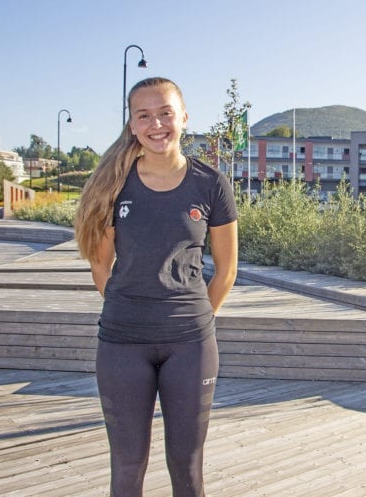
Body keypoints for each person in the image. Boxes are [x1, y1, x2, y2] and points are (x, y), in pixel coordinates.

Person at [74, 77, 238, 497]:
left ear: (184, 117)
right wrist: (132, 308)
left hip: (191, 344)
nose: (156, 124)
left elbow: (226, 270)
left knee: (187, 468)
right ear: (131, 125)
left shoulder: (211, 183)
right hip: (122, 342)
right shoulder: (112, 184)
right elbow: (100, 264)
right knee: (127, 467)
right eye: (144, 115)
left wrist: (196, 318)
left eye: (165, 112)